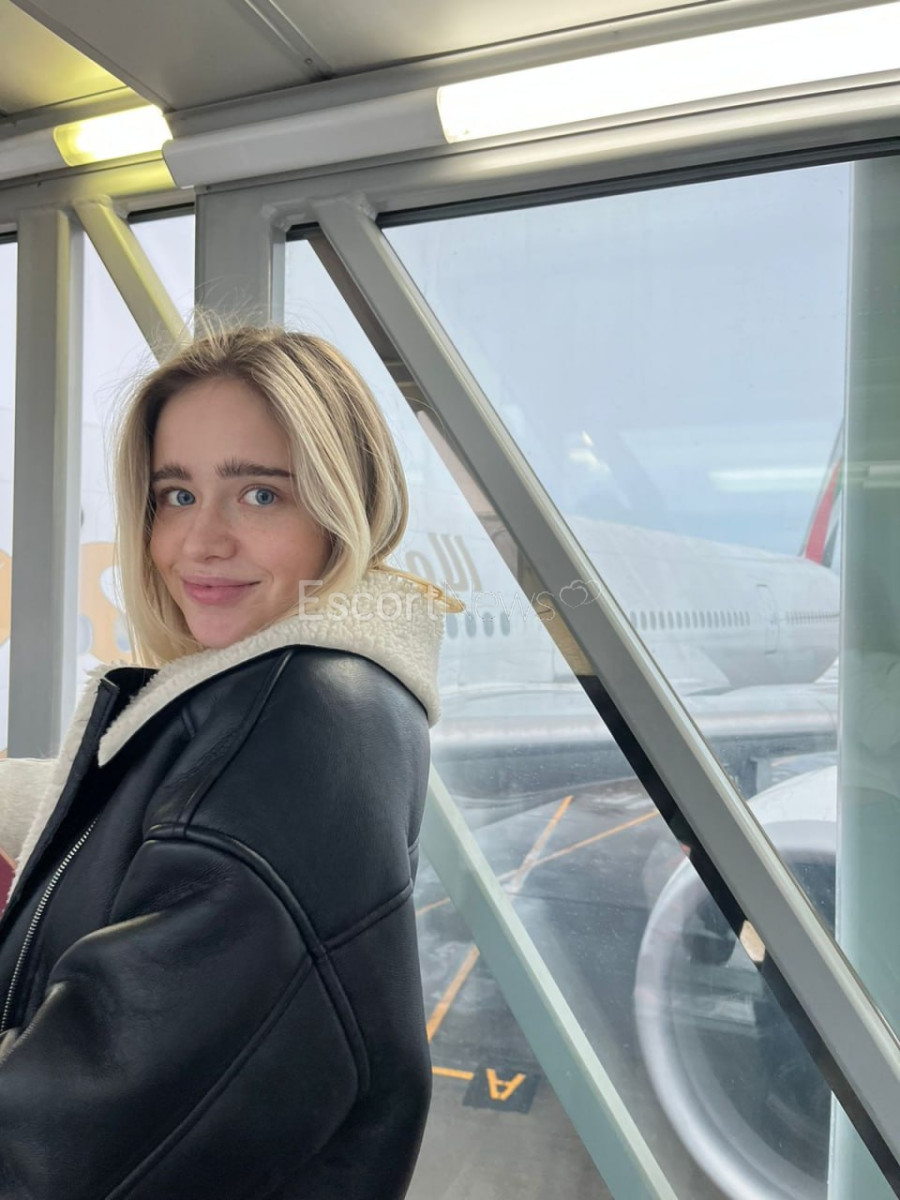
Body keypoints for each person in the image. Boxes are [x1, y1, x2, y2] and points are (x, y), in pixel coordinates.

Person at [0, 325, 455, 1199]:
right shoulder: (288, 696)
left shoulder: (296, 729)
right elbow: (160, 823)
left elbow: (50, 1157)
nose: (200, 542)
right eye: (176, 495)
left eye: (259, 495)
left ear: (344, 507)